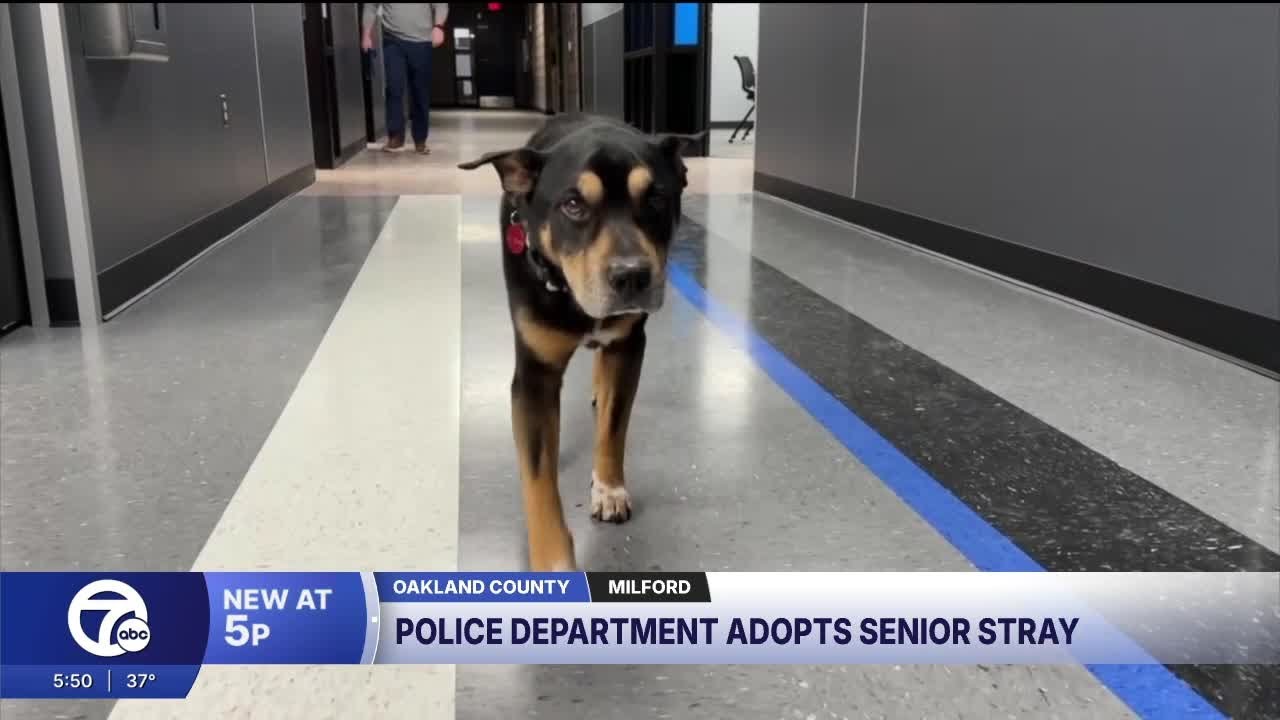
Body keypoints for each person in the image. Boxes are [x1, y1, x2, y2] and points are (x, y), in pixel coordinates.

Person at [361, 3, 449, 154]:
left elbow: (441, 5)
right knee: (394, 88)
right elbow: (370, 7)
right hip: (393, 41)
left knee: (420, 91)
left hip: (422, 41)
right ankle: (395, 137)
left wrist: (438, 26)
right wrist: (366, 34)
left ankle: (420, 139)